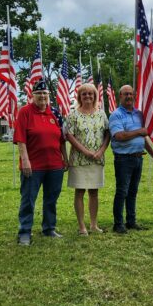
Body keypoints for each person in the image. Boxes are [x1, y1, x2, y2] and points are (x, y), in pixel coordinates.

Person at [13, 78, 69, 245]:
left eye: (45, 93)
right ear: (32, 95)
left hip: (54, 165)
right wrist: (25, 161)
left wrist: (65, 158)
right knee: (28, 199)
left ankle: (49, 228)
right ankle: (24, 231)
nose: (42, 96)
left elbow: (62, 139)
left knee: (51, 199)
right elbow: (21, 140)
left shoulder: (55, 113)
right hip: (33, 166)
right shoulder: (25, 112)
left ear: (49, 95)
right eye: (39, 93)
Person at [108, 85, 153, 234]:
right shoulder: (116, 115)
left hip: (138, 158)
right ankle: (118, 224)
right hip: (123, 159)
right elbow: (119, 136)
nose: (129, 97)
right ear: (120, 96)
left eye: (131, 94)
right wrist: (139, 131)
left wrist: (152, 153)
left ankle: (131, 221)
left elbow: (142, 138)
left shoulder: (139, 114)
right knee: (122, 191)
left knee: (132, 192)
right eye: (125, 94)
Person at [65, 83, 110, 236]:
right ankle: (82, 226)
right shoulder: (73, 115)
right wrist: (85, 151)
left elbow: (107, 134)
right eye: (84, 94)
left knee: (94, 192)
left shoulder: (101, 114)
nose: (88, 96)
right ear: (79, 96)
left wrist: (101, 151)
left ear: (95, 96)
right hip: (79, 160)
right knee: (79, 192)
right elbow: (69, 136)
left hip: (97, 159)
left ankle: (93, 224)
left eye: (91, 93)